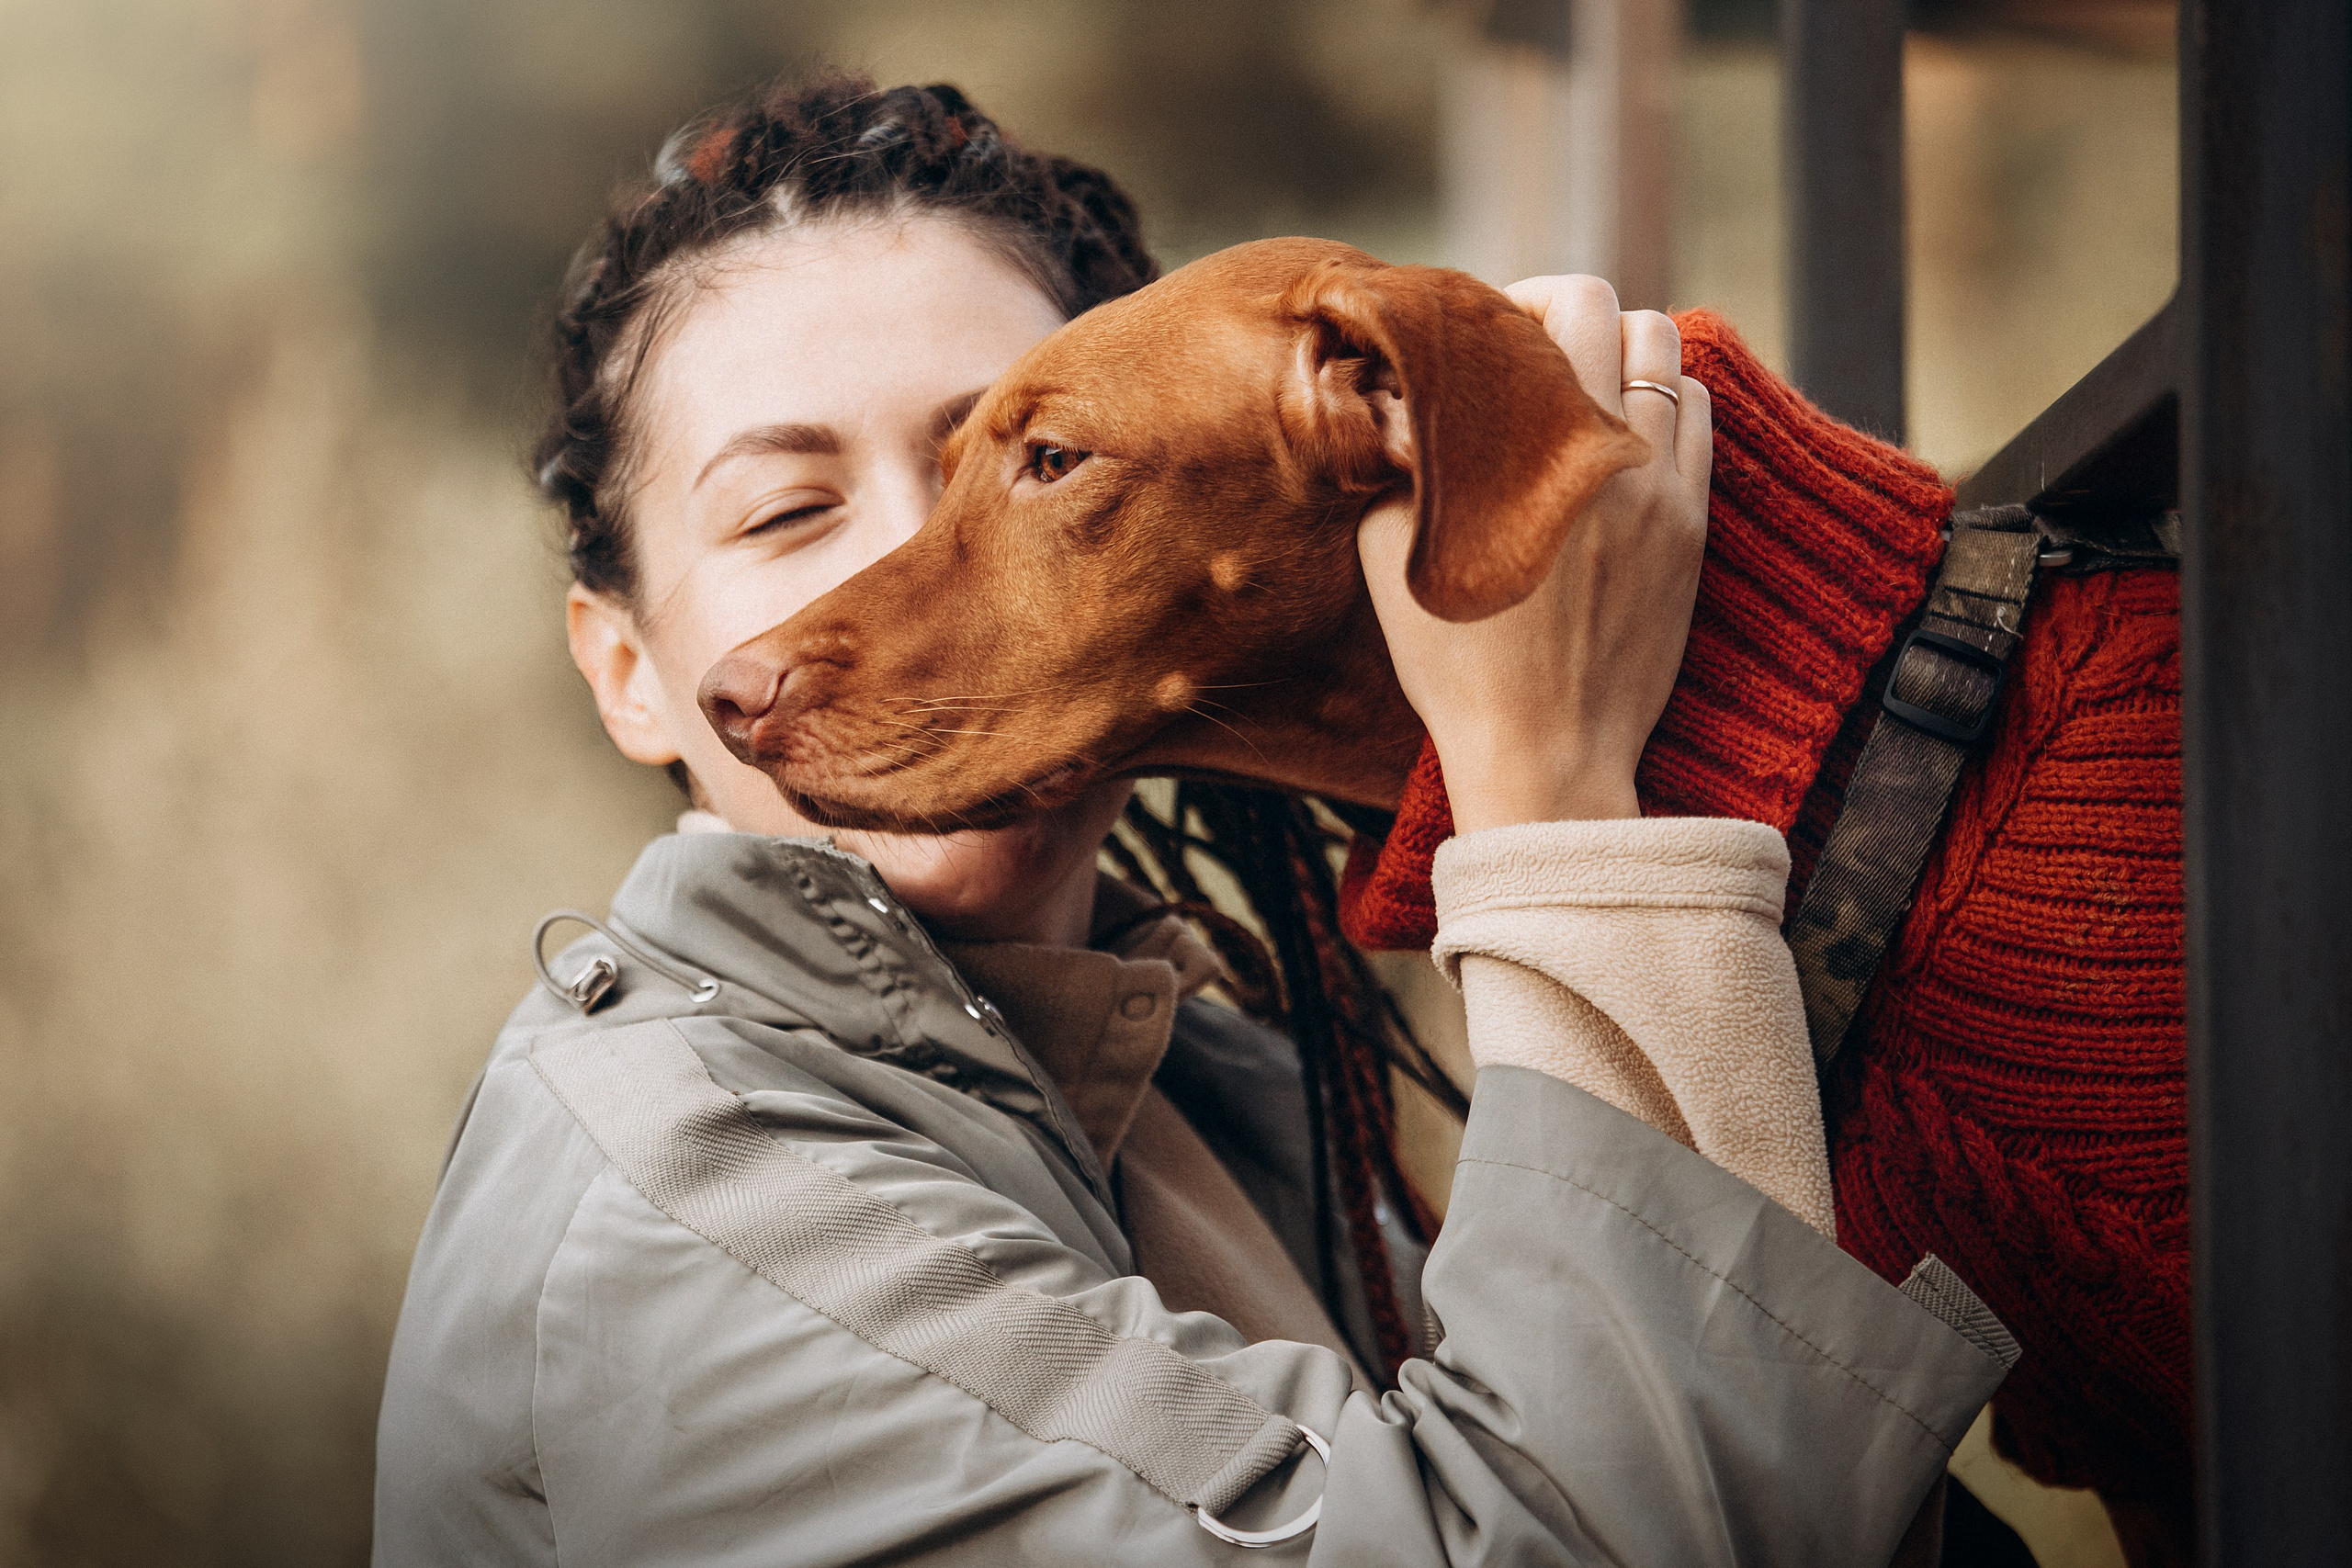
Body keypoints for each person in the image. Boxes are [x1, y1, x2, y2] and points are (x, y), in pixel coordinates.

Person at [373, 74, 2011, 1565]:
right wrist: (1545, 785)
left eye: (1021, 464)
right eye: (789, 510)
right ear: (631, 674)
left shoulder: (1214, 1093)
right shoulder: (695, 1215)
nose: (896, 572)